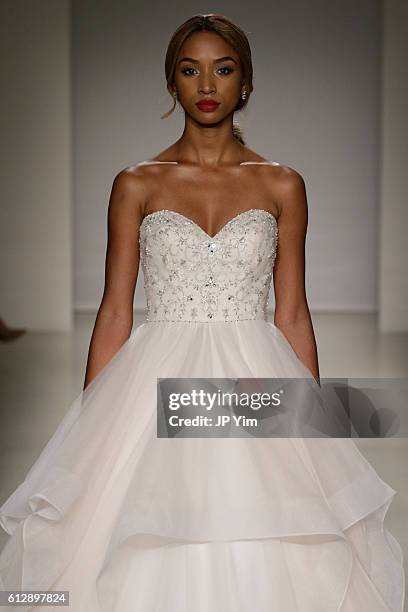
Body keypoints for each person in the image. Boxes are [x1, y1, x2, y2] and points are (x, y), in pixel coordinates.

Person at [0, 13, 404, 612]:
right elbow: (116, 308)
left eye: (224, 69)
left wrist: (318, 427)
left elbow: (291, 309)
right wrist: (90, 424)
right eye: (190, 70)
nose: (207, 84)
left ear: (246, 84)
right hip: (153, 379)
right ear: (172, 84)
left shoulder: (282, 184)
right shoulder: (136, 183)